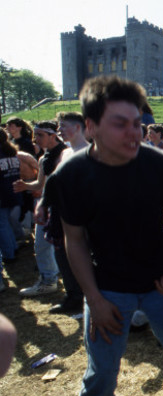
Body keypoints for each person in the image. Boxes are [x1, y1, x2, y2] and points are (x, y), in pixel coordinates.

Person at [44, 75, 163, 396]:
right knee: (101, 373)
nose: (134, 133)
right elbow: (76, 240)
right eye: (120, 124)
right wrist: (93, 299)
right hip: (108, 289)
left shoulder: (159, 166)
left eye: (138, 123)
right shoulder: (70, 177)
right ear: (91, 126)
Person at [41, 112, 89, 314]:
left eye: (63, 126)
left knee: (80, 257)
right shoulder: (65, 153)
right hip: (60, 214)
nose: (59, 130)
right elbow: (53, 183)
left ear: (78, 127)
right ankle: (73, 296)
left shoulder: (90, 152)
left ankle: (83, 299)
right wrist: (42, 204)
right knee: (62, 255)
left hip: (79, 217)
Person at [14, 120, 64, 297]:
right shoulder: (44, 158)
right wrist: (26, 185)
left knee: (71, 248)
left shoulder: (66, 155)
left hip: (66, 208)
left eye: (41, 135)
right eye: (35, 135)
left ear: (53, 135)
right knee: (41, 245)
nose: (36, 139)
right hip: (47, 206)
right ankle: (49, 280)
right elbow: (40, 184)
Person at [0, 129, 22, 266]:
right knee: (5, 223)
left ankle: (9, 254)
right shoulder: (12, 153)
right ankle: (13, 247)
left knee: (1, 225)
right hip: (14, 191)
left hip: (2, 194)